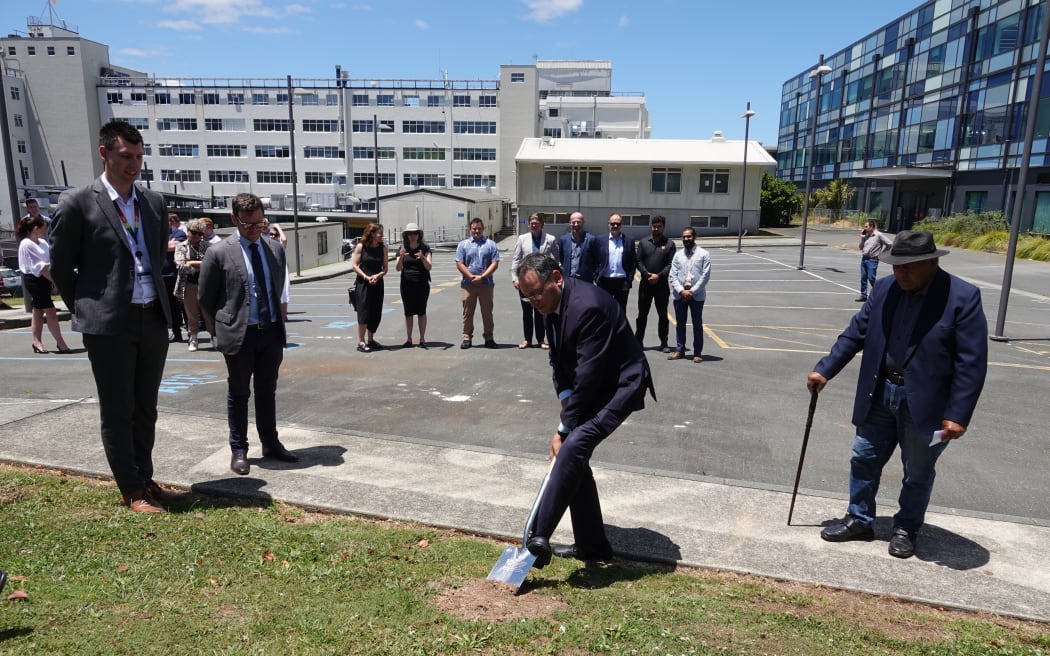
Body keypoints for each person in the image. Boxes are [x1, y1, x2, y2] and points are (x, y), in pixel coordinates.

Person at [807, 230, 988, 559]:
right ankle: (859, 519)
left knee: (917, 470)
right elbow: (856, 332)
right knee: (864, 457)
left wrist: (958, 415)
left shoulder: (962, 297)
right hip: (881, 391)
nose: (900, 273)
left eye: (909, 267)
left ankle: (906, 527)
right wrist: (825, 369)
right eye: (896, 266)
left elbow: (971, 363)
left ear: (931, 262)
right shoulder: (885, 288)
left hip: (926, 403)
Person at [49, 119, 187, 513]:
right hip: (109, 323)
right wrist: (89, 307)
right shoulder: (76, 203)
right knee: (118, 408)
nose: (134, 165)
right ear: (104, 152)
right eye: (126, 156)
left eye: (140, 156)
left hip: (153, 317)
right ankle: (131, 489)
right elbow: (61, 267)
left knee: (146, 406)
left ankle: (145, 478)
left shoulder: (153, 202)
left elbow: (158, 255)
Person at [515, 253, 654, 567]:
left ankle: (539, 537)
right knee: (575, 458)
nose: (534, 302)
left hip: (620, 386)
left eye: (536, 294)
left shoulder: (586, 307)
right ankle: (593, 545)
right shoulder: (549, 304)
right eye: (527, 298)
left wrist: (563, 428)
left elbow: (588, 376)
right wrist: (566, 402)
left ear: (557, 278)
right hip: (592, 384)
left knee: (574, 445)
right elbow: (559, 363)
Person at [199, 193, 297, 476]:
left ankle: (271, 443)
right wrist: (217, 333)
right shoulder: (219, 252)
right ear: (234, 220)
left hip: (270, 332)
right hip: (238, 334)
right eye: (248, 226)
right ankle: (239, 449)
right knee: (239, 393)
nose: (255, 230)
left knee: (268, 391)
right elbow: (206, 298)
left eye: (260, 224)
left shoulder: (274, 249)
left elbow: (277, 287)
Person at [16, 216, 71, 354]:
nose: (45, 231)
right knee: (51, 311)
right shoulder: (26, 244)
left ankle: (37, 342)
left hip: (45, 278)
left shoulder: (42, 243)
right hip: (34, 280)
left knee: (38, 311)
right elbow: (39, 267)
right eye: (43, 228)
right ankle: (61, 343)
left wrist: (52, 279)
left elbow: (49, 262)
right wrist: (55, 282)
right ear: (36, 228)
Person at [510, 213, 558, 349]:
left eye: (536, 221)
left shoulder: (550, 239)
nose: (534, 224)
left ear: (542, 223)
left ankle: (541, 339)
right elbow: (516, 259)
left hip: (542, 282)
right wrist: (515, 278)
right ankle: (527, 339)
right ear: (529, 223)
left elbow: (557, 258)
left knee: (541, 311)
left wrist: (553, 276)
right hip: (525, 281)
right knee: (527, 311)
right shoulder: (522, 239)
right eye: (531, 221)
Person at [667, 227, 711, 363]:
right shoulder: (677, 255)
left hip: (696, 296)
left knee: (697, 324)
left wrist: (692, 291)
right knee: (680, 323)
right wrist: (681, 290)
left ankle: (697, 352)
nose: (686, 239)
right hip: (680, 295)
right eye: (684, 237)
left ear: (694, 237)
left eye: (689, 236)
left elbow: (705, 276)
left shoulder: (704, 254)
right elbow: (672, 276)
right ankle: (680, 349)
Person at [455, 218, 500, 349]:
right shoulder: (463, 245)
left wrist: (483, 277)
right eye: (474, 228)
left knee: (487, 312)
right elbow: (459, 263)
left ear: (483, 229)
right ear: (470, 229)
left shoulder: (491, 244)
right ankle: (466, 338)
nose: (477, 231)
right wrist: (470, 276)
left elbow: (495, 263)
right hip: (468, 284)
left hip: (486, 284)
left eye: (479, 228)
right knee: (467, 312)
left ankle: (489, 338)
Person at [634, 215, 676, 352]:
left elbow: (671, 264)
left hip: (661, 285)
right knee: (642, 315)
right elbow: (638, 261)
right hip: (645, 285)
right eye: (654, 226)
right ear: (651, 226)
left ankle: (664, 342)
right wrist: (647, 275)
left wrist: (658, 276)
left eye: (659, 226)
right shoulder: (643, 242)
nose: (656, 229)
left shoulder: (669, 244)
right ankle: (638, 341)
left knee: (663, 315)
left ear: (663, 227)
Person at [174, 218, 213, 352]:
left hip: (206, 284)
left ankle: (213, 336)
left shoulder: (208, 246)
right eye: (194, 233)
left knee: (209, 312)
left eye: (200, 234)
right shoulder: (181, 246)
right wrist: (200, 265)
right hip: (188, 285)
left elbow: (212, 265)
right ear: (188, 232)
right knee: (191, 314)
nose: (197, 236)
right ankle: (193, 338)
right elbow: (181, 267)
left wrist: (191, 263)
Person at [351, 222, 389, 352]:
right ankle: (361, 341)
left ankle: (371, 339)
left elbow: (385, 269)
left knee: (375, 312)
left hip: (377, 283)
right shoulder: (361, 247)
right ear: (372, 233)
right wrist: (366, 277)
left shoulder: (383, 248)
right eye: (380, 233)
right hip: (363, 283)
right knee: (364, 312)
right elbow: (354, 266)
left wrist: (377, 276)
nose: (382, 236)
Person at [395, 222, 432, 348]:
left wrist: (422, 257)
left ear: (419, 235)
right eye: (410, 233)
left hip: (422, 284)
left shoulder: (425, 248)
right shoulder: (402, 248)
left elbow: (429, 267)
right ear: (406, 235)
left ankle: (422, 339)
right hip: (406, 284)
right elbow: (398, 268)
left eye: (415, 233)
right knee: (408, 312)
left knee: (421, 311)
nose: (412, 236)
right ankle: (409, 339)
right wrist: (400, 257)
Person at [596, 213, 636, 311]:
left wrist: (629, 279)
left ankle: (619, 327)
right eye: (613, 223)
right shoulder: (600, 240)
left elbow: (633, 262)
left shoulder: (629, 240)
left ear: (621, 224)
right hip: (605, 281)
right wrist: (596, 276)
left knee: (621, 311)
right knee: (604, 310)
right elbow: (595, 259)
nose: (615, 226)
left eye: (618, 224)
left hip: (622, 282)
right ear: (608, 224)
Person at [556, 211, 601, 283]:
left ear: (583, 222)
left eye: (578, 222)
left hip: (585, 280)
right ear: (570, 223)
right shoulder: (563, 239)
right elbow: (562, 258)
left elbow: (596, 260)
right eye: (573, 222)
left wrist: (592, 274)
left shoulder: (591, 239)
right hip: (568, 279)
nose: (576, 224)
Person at [857, 219, 892, 302]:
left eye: (866, 227)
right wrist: (862, 238)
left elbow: (889, 243)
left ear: (872, 226)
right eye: (864, 227)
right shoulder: (867, 235)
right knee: (863, 278)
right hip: (864, 259)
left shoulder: (879, 235)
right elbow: (861, 247)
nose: (864, 228)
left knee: (871, 277)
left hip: (872, 260)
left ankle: (879, 293)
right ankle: (863, 295)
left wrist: (882, 253)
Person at [164, 214, 187, 342]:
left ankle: (189, 331)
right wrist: (165, 245)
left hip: (175, 275)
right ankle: (175, 332)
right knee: (168, 307)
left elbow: (177, 245)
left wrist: (161, 246)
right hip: (161, 276)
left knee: (181, 305)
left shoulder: (178, 233)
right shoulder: (156, 234)